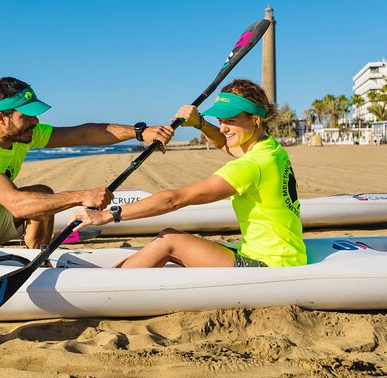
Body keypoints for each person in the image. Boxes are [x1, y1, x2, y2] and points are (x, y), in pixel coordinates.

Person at [71, 79, 306, 268]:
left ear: (255, 119)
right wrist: (200, 123)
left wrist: (108, 216)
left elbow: (174, 200)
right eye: (221, 120)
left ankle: (110, 285)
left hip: (269, 265)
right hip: (283, 253)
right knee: (176, 239)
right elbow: (224, 144)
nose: (223, 128)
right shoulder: (270, 150)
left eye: (231, 121)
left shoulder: (250, 166)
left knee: (170, 240)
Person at [0, 76, 174, 249]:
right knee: (32, 205)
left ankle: (37, 256)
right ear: (1, 118)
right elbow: (17, 205)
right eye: (27, 116)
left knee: (42, 196)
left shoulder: (22, 133)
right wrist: (81, 196)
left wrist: (140, 132)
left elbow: (83, 133)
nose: (36, 122)